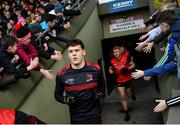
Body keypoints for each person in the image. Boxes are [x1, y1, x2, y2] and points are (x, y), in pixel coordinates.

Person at [54, 39, 104, 124]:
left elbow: (102, 86)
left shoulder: (96, 69)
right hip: (76, 118)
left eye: (77, 50)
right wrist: (65, 99)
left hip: (94, 115)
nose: (74, 54)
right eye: (70, 51)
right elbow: (57, 95)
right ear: (68, 55)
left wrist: (100, 93)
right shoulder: (62, 74)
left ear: (83, 52)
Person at [109, 46, 136, 121]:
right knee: (123, 96)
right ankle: (126, 112)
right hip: (119, 81)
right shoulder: (112, 61)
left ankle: (132, 94)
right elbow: (110, 68)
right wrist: (111, 72)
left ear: (120, 52)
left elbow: (133, 65)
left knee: (129, 93)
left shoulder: (125, 58)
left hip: (127, 79)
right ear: (113, 53)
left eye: (117, 51)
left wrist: (126, 69)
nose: (116, 53)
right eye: (114, 52)